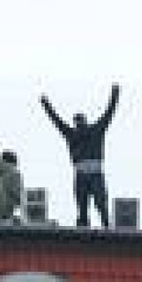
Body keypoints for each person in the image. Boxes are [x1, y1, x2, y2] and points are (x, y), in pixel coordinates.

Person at [41, 83, 120, 228]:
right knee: (89, 206)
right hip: (89, 172)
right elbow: (109, 112)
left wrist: (45, 104)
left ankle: (102, 227)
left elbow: (109, 112)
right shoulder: (85, 131)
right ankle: (99, 227)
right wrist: (115, 94)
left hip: (87, 172)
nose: (78, 123)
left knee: (97, 206)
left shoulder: (80, 132)